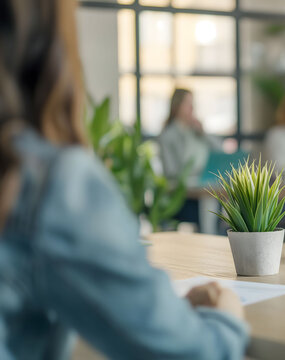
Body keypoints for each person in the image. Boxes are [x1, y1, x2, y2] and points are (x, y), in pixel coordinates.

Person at [0, 0, 248, 359]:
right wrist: (225, 314)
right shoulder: (48, 183)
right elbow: (196, 352)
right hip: (187, 203)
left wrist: (202, 130)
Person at [158, 88, 221, 185]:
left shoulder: (197, 131)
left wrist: (203, 133)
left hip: (206, 184)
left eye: (192, 103)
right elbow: (170, 171)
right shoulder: (168, 136)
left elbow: (219, 149)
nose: (192, 107)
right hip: (183, 190)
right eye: (187, 103)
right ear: (177, 106)